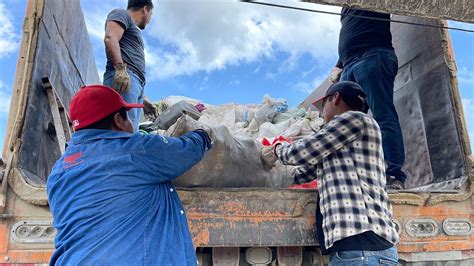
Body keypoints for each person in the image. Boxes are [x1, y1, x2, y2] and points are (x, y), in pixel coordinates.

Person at [47, 85, 212, 265]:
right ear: (118, 119)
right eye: (129, 117)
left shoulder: (57, 172)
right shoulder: (138, 148)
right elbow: (187, 151)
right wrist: (201, 134)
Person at [261, 81, 400, 265]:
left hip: (360, 249)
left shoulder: (353, 119)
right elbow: (304, 172)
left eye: (323, 105)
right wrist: (267, 174)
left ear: (335, 98)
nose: (321, 112)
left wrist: (277, 147)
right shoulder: (343, 142)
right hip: (365, 249)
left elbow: (300, 153)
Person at [329, 7, 406, 189]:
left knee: (382, 115)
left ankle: (394, 175)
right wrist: (338, 65)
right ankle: (351, 176)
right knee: (344, 126)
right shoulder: (344, 8)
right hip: (348, 64)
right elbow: (351, 34)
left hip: (373, 54)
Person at [103, 0, 156, 132]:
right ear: (145, 9)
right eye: (151, 13)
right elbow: (110, 38)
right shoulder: (122, 14)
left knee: (130, 134)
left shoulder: (133, 29)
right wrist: (120, 70)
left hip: (131, 82)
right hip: (124, 77)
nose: (150, 18)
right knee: (120, 134)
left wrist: (143, 99)